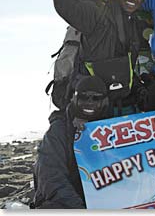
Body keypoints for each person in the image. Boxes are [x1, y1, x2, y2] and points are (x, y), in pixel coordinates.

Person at [50, 0, 148, 116]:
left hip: (119, 104)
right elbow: (66, 6)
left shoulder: (134, 23)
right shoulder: (97, 14)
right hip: (91, 104)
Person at [32, 76, 109, 209]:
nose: (89, 102)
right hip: (68, 203)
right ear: (73, 98)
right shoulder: (58, 131)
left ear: (105, 101)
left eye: (96, 98)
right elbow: (51, 178)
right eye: (83, 97)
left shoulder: (113, 130)